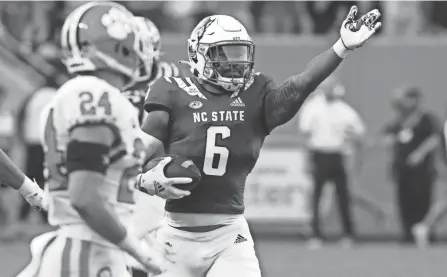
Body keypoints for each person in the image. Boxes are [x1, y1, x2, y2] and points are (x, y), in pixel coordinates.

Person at [136, 7, 381, 277]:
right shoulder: (171, 90)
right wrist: (145, 178)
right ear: (198, 53)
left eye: (240, 53)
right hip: (175, 236)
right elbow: (138, 157)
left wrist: (341, 47)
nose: (235, 63)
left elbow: (301, 85)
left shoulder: (256, 92)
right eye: (224, 54)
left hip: (229, 235)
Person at [27, 2, 192, 277]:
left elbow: (102, 178)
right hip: (89, 249)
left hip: (100, 246)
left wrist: (146, 180)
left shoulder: (85, 93)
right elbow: (84, 197)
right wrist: (137, 249)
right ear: (120, 47)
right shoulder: (96, 96)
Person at [299, 77, 365, 248]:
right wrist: (307, 159)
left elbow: (359, 132)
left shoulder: (344, 110)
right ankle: (315, 234)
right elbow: (305, 134)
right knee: (317, 196)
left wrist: (352, 140)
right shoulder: (312, 107)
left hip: (337, 155)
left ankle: (348, 234)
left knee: (343, 196)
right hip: (319, 154)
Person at [383, 86, 441, 244]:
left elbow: (434, 139)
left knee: (422, 200)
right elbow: (388, 137)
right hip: (402, 168)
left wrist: (420, 153)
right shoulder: (398, 120)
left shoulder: (426, 118)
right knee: (404, 201)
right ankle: (407, 233)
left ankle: (425, 232)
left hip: (422, 170)